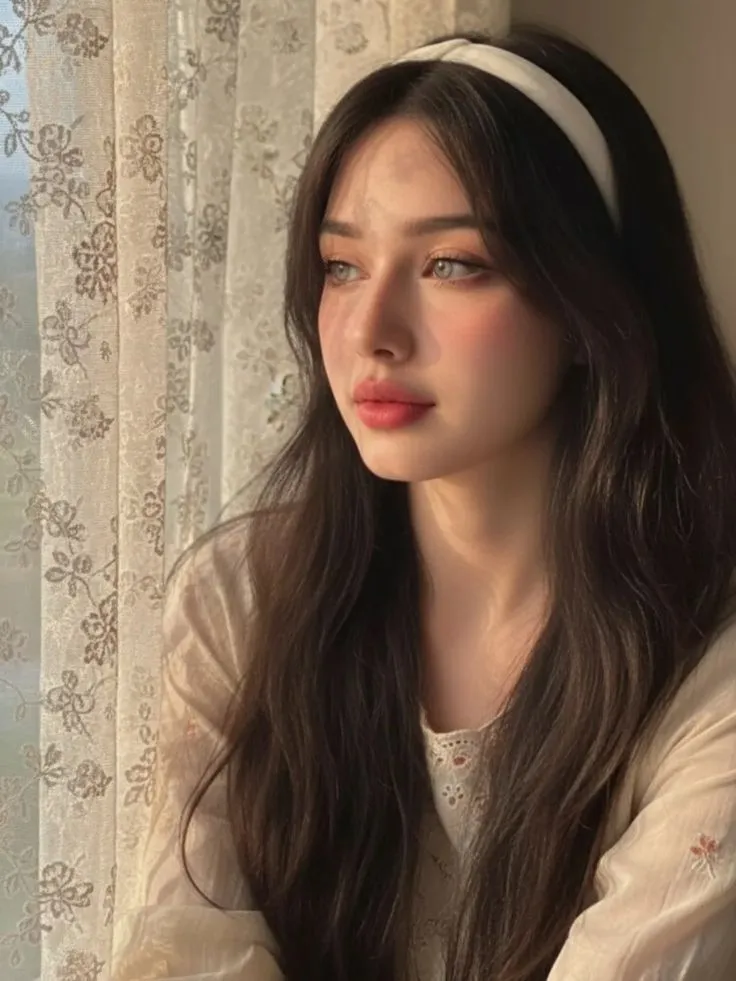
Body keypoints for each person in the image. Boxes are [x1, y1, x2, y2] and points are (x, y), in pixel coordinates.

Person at [111, 25, 736, 981]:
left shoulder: (708, 653)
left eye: (451, 264)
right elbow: (186, 951)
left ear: (590, 306)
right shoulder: (242, 597)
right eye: (341, 266)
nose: (371, 330)